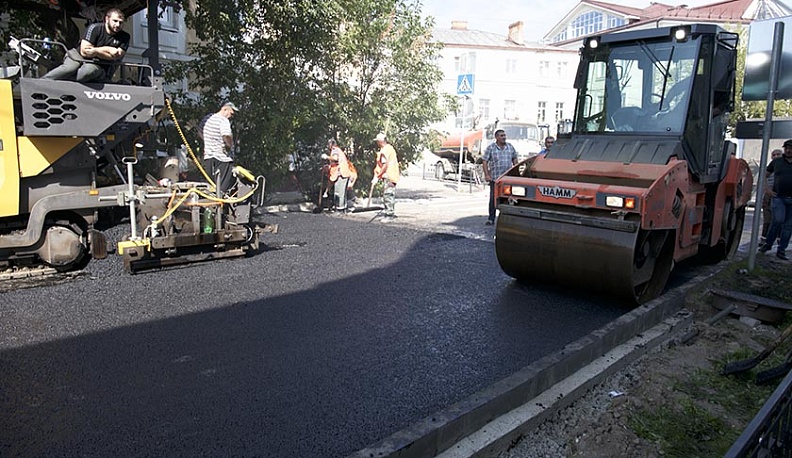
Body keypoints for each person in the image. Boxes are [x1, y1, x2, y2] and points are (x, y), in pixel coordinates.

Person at [43, 8, 129, 83]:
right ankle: (41, 82)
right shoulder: (95, 28)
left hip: (99, 64)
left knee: (88, 71)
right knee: (69, 68)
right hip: (77, 55)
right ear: (107, 19)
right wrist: (108, 49)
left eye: (120, 23)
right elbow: (85, 52)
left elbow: (116, 56)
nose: (118, 25)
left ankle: (68, 82)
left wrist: (94, 51)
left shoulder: (125, 36)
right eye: (115, 21)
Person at [759, 139, 792, 260]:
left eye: (791, 148)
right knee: (777, 220)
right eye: (787, 148)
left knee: (788, 226)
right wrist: (766, 189)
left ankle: (781, 250)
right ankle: (768, 244)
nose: (788, 150)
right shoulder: (777, 162)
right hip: (779, 197)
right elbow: (764, 175)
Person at [202, 102, 239, 195]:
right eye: (231, 113)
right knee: (222, 187)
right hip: (222, 159)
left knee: (211, 186)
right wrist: (229, 145)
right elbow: (226, 135)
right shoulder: (223, 121)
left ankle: (211, 206)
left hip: (208, 157)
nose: (231, 116)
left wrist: (208, 141)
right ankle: (221, 206)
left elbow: (199, 130)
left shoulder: (208, 118)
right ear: (224, 109)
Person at [482, 129, 518, 225]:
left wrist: (516, 169)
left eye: (504, 135)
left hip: (507, 179)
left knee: (510, 199)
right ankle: (491, 218)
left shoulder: (510, 147)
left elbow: (515, 158)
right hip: (495, 179)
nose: (504, 137)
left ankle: (508, 220)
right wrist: (486, 174)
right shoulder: (491, 148)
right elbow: (484, 161)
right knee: (493, 199)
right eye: (501, 136)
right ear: (496, 137)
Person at [372, 133, 399, 220]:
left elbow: (385, 165)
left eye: (377, 141)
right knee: (387, 194)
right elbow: (379, 166)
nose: (377, 143)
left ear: (380, 141)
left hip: (389, 175)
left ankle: (389, 215)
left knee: (388, 195)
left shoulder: (385, 151)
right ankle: (388, 213)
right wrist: (375, 175)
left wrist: (378, 176)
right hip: (390, 175)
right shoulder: (388, 148)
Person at [321, 139, 353, 212]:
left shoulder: (335, 150)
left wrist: (326, 157)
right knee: (341, 192)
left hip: (341, 174)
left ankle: (340, 210)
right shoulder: (338, 150)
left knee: (339, 192)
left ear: (331, 145)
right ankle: (342, 209)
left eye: (328, 145)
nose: (328, 147)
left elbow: (335, 158)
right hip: (342, 173)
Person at [762, 148, 783, 243]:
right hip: (768, 196)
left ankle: (779, 240)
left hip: (782, 196)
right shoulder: (768, 168)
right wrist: (767, 190)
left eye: (778, 154)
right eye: (774, 155)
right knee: (767, 220)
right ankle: (764, 240)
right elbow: (763, 180)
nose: (776, 156)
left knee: (780, 220)